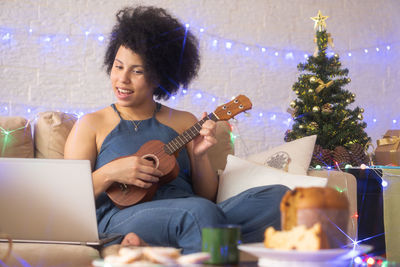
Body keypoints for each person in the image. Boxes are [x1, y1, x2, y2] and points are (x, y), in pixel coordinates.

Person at [64, 5, 289, 254]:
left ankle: (183, 243)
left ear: (160, 76)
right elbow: (67, 201)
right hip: (121, 218)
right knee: (199, 214)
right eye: (118, 67)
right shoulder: (90, 124)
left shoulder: (183, 121)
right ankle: (207, 239)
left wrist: (201, 154)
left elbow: (206, 196)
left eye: (136, 71)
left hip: (191, 209)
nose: (122, 79)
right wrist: (109, 173)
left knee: (280, 199)